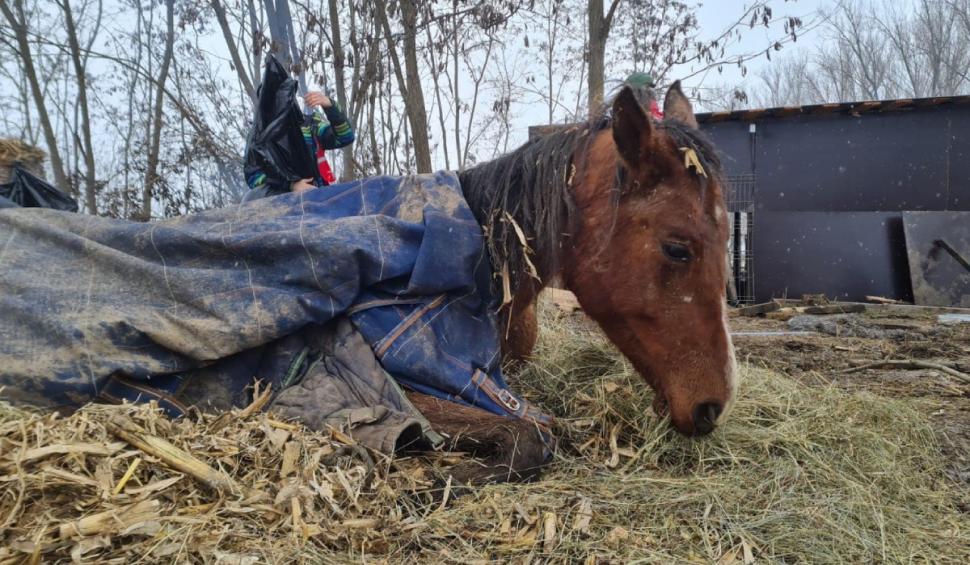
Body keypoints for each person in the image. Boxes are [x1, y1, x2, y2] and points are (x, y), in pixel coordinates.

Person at [245, 91, 355, 200]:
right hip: (280, 204)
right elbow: (253, 176)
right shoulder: (257, 136)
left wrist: (330, 106)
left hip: (318, 198)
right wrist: (291, 186)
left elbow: (345, 137)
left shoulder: (310, 124)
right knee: (250, 197)